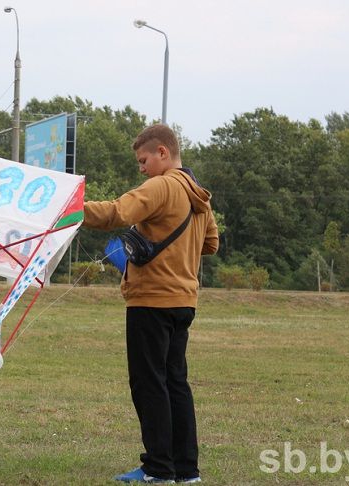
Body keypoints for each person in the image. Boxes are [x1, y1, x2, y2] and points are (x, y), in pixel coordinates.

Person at [82, 124, 219, 483]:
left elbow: (116, 213)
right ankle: (186, 470)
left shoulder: (161, 185)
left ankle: (158, 467)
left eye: (143, 160)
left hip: (151, 300)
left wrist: (69, 210)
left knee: (149, 383)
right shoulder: (199, 195)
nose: (141, 168)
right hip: (184, 301)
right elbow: (211, 244)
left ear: (163, 152)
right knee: (176, 382)